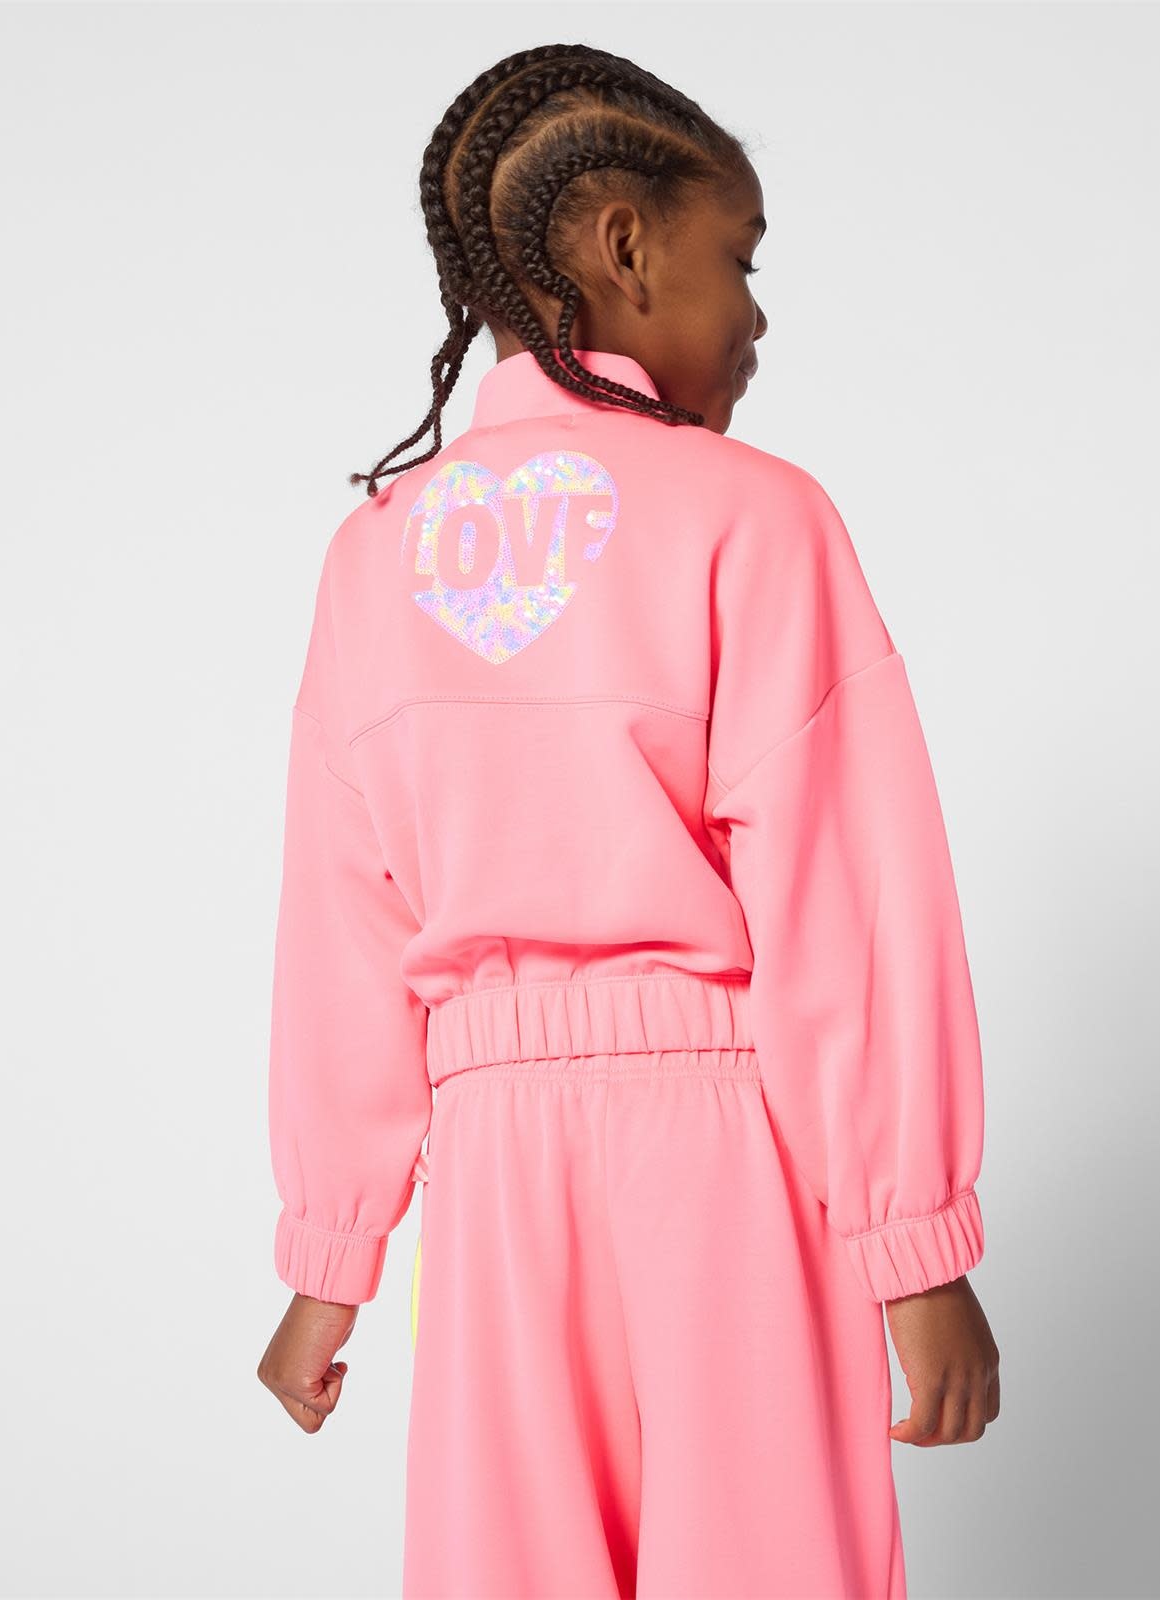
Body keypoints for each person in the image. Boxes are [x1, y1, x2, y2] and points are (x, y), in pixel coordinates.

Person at [255, 40, 1001, 1600]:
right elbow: (849, 898)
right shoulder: (756, 514)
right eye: (742, 261)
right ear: (623, 247)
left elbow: (345, 919)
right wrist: (915, 1245)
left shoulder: (373, 554)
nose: (759, 316)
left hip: (494, 1177)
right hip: (725, 1147)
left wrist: (336, 1252)